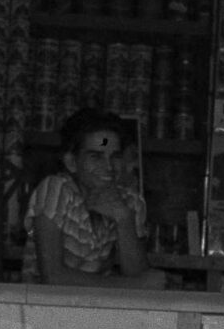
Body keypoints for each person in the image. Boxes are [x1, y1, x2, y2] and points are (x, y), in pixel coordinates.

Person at [26, 107, 150, 284]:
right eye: (96, 157)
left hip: (96, 309)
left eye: (115, 156)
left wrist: (124, 219)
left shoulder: (131, 202)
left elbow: (138, 275)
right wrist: (129, 287)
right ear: (72, 162)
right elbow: (53, 276)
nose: (108, 167)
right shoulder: (56, 190)